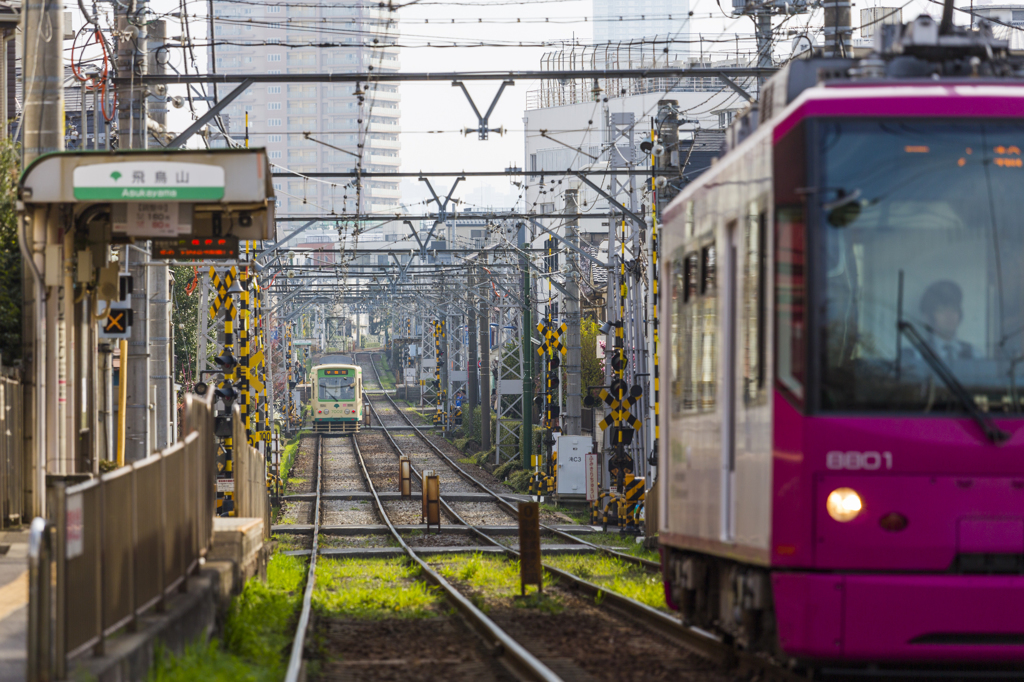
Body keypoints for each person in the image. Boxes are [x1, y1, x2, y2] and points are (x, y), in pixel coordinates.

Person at [920, 280, 974, 361]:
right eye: (941, 310)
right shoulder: (917, 354)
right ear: (929, 317)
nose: (949, 316)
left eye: (953, 309)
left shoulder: (974, 354)